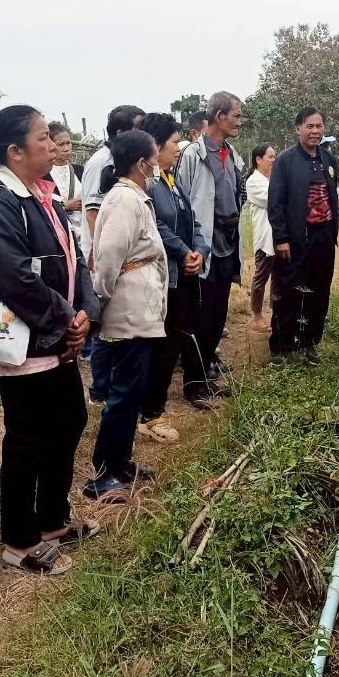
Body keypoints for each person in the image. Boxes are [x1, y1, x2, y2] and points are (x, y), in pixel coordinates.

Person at [0, 106, 98, 575]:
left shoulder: (42, 195)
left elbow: (74, 257)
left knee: (68, 420)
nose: (53, 146)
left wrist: (86, 312)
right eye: (44, 139)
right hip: (29, 343)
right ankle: (19, 539)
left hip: (58, 336)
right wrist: (64, 321)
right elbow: (14, 277)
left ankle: (52, 520)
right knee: (28, 436)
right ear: (15, 151)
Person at [83, 129, 169, 501]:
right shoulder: (122, 199)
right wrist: (99, 303)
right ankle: (103, 473)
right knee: (122, 394)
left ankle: (121, 462)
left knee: (132, 393)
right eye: (153, 157)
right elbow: (107, 260)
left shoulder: (134, 196)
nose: (158, 163)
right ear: (140, 163)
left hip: (140, 311)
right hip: (127, 311)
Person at [139, 112, 209, 428]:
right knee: (161, 346)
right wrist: (183, 252)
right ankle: (150, 412)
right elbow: (156, 225)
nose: (178, 148)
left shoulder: (172, 181)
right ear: (155, 146)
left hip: (183, 273)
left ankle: (155, 407)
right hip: (164, 277)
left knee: (173, 343)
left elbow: (192, 222)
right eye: (173, 143)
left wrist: (199, 252)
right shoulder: (148, 186)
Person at [176, 91, 245, 387]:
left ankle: (206, 372)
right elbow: (181, 202)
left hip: (227, 245)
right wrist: (190, 249)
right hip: (203, 248)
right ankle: (194, 382)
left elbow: (238, 194)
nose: (240, 122)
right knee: (199, 316)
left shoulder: (231, 154)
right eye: (237, 115)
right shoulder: (193, 154)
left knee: (218, 313)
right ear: (219, 117)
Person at [80, 105, 145, 401]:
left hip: (116, 253)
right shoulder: (101, 161)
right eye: (138, 128)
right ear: (121, 133)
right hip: (102, 253)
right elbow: (93, 210)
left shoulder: (119, 159)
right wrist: (99, 251)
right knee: (103, 326)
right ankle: (99, 389)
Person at [267, 108, 339, 366]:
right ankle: (281, 347)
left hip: (323, 238)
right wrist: (281, 238)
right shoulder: (285, 161)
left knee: (319, 293)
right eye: (310, 126)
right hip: (296, 240)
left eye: (319, 126)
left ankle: (309, 344)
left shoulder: (328, 159)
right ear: (298, 128)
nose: (315, 131)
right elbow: (275, 203)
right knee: (288, 293)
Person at [244, 143, 277, 332]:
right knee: (261, 276)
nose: (274, 160)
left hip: (279, 236)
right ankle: (256, 316)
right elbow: (273, 200)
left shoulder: (272, 179)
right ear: (258, 159)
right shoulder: (254, 182)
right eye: (270, 156)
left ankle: (275, 313)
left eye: (274, 156)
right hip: (265, 237)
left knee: (278, 277)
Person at [47, 121, 83, 230]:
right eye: (61, 144)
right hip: (59, 231)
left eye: (68, 143)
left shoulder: (79, 171)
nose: (67, 148)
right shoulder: (44, 175)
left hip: (83, 232)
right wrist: (65, 206)